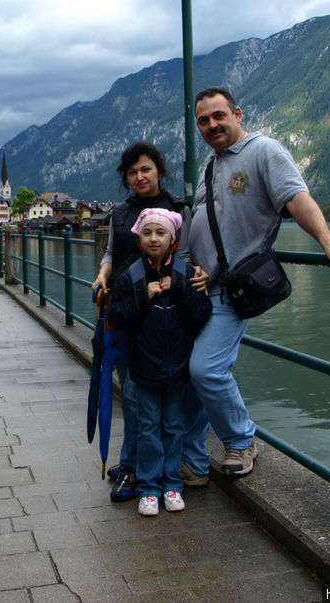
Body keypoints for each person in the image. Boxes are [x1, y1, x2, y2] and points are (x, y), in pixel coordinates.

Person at [184, 87, 330, 480]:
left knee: (205, 370)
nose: (211, 125)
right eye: (203, 120)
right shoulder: (211, 165)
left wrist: (327, 241)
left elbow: (295, 197)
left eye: (218, 116)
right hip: (198, 288)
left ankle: (241, 439)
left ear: (237, 114)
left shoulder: (264, 151)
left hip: (232, 289)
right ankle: (192, 458)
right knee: (188, 371)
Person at [90, 141, 193, 503]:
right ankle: (135, 465)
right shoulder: (120, 211)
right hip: (123, 307)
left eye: (145, 169)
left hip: (163, 315)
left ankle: (140, 467)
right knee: (131, 394)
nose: (139, 177)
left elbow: (186, 256)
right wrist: (103, 273)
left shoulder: (178, 208)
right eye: (132, 172)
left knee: (143, 397)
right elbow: (112, 251)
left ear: (159, 171)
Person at [107, 208, 212, 516]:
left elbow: (202, 314)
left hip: (178, 369)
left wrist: (180, 290)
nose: (154, 238)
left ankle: (171, 485)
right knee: (149, 427)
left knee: (175, 426)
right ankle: (149, 488)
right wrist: (144, 295)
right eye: (148, 232)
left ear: (173, 239)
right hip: (145, 369)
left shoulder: (185, 273)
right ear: (140, 238)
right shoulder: (133, 274)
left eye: (161, 233)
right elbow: (116, 316)